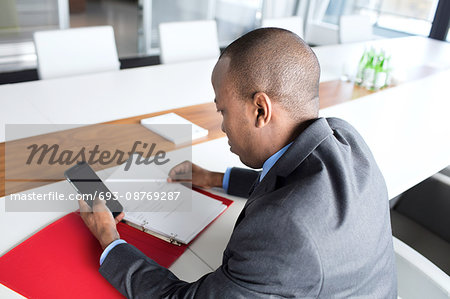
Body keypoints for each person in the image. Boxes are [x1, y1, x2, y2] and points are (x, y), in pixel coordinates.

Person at [78, 28, 397, 298]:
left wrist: (109, 239)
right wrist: (215, 178)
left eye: (223, 111)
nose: (223, 127)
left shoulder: (285, 231)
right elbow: (287, 176)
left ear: (261, 109)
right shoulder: (342, 137)